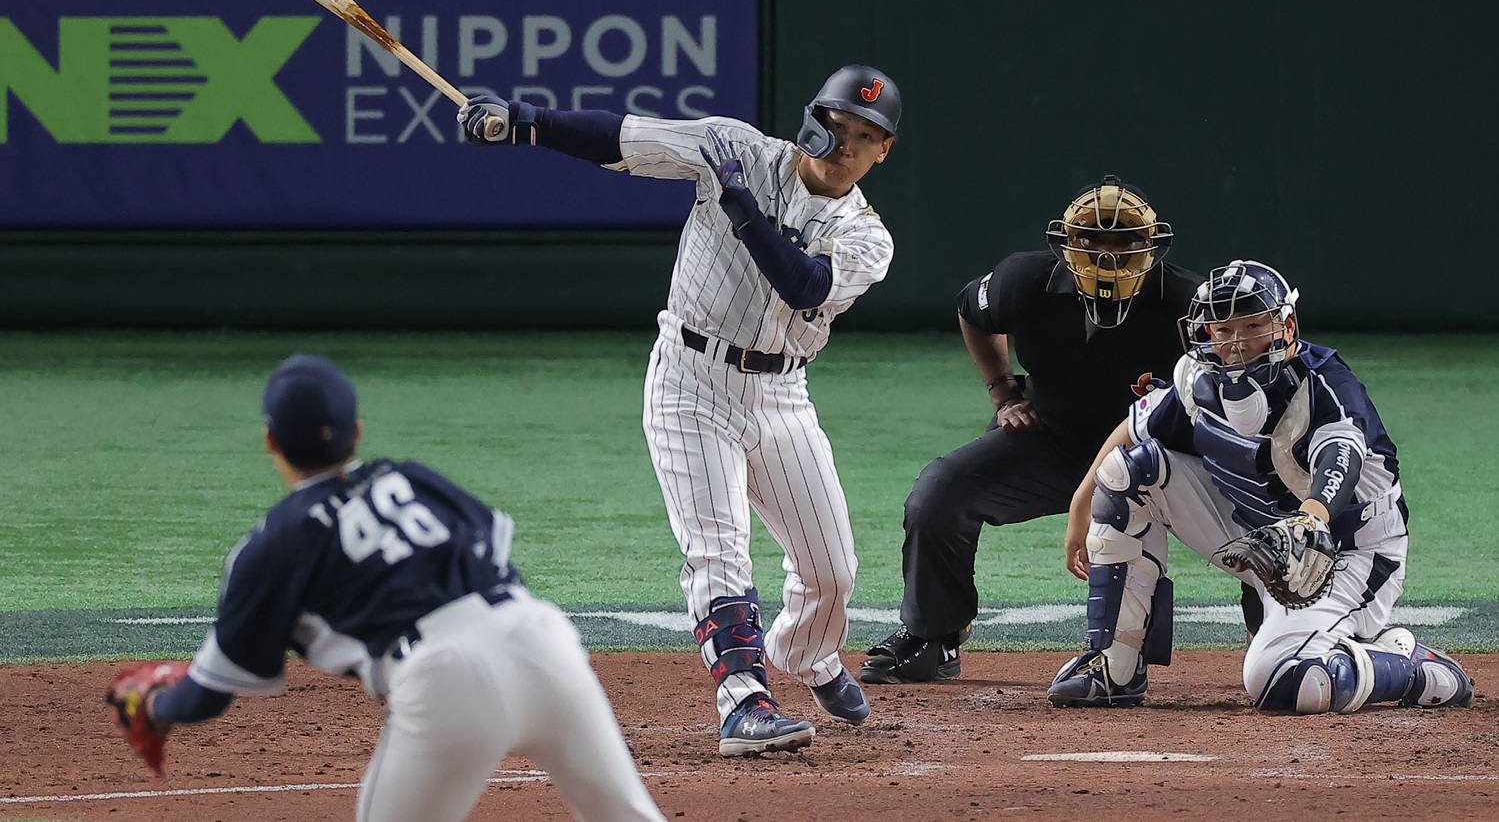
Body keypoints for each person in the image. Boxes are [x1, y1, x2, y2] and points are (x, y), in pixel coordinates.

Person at [456, 66, 898, 756]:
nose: (844, 144)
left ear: (882, 151)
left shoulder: (867, 235)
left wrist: (741, 206)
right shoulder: (734, 147)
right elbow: (622, 139)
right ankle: (743, 701)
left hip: (782, 395)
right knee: (718, 549)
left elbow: (802, 280)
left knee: (831, 571)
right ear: (812, 117)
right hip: (689, 380)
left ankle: (806, 654)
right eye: (836, 125)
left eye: (863, 136)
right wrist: (520, 120)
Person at [106, 355, 667, 822]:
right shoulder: (413, 478)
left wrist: (155, 704)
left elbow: (207, 696)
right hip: (543, 639)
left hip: (444, 676)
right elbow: (491, 548)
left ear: (270, 440)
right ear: (357, 432)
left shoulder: (274, 542)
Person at [1048, 260, 1474, 712]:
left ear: (1285, 325)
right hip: (1260, 538)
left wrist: (1312, 517)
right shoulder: (1198, 379)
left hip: (1346, 552)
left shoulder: (1325, 383)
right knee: (1127, 473)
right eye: (1223, 329)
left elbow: (1340, 460)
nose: (1237, 344)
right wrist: (1081, 501)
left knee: (1288, 680)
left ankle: (1413, 667)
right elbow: (1137, 429)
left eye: (1253, 325)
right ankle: (1114, 665)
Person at [862, 176, 1207, 685]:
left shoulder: (1187, 301)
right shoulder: (1023, 280)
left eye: (1124, 241)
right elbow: (970, 311)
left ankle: (1275, 628)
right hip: (1052, 441)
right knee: (940, 493)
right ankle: (933, 636)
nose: (1108, 254)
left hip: (1152, 460)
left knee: (1251, 506)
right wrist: (1003, 389)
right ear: (1066, 243)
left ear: (1151, 245)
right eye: (1093, 240)